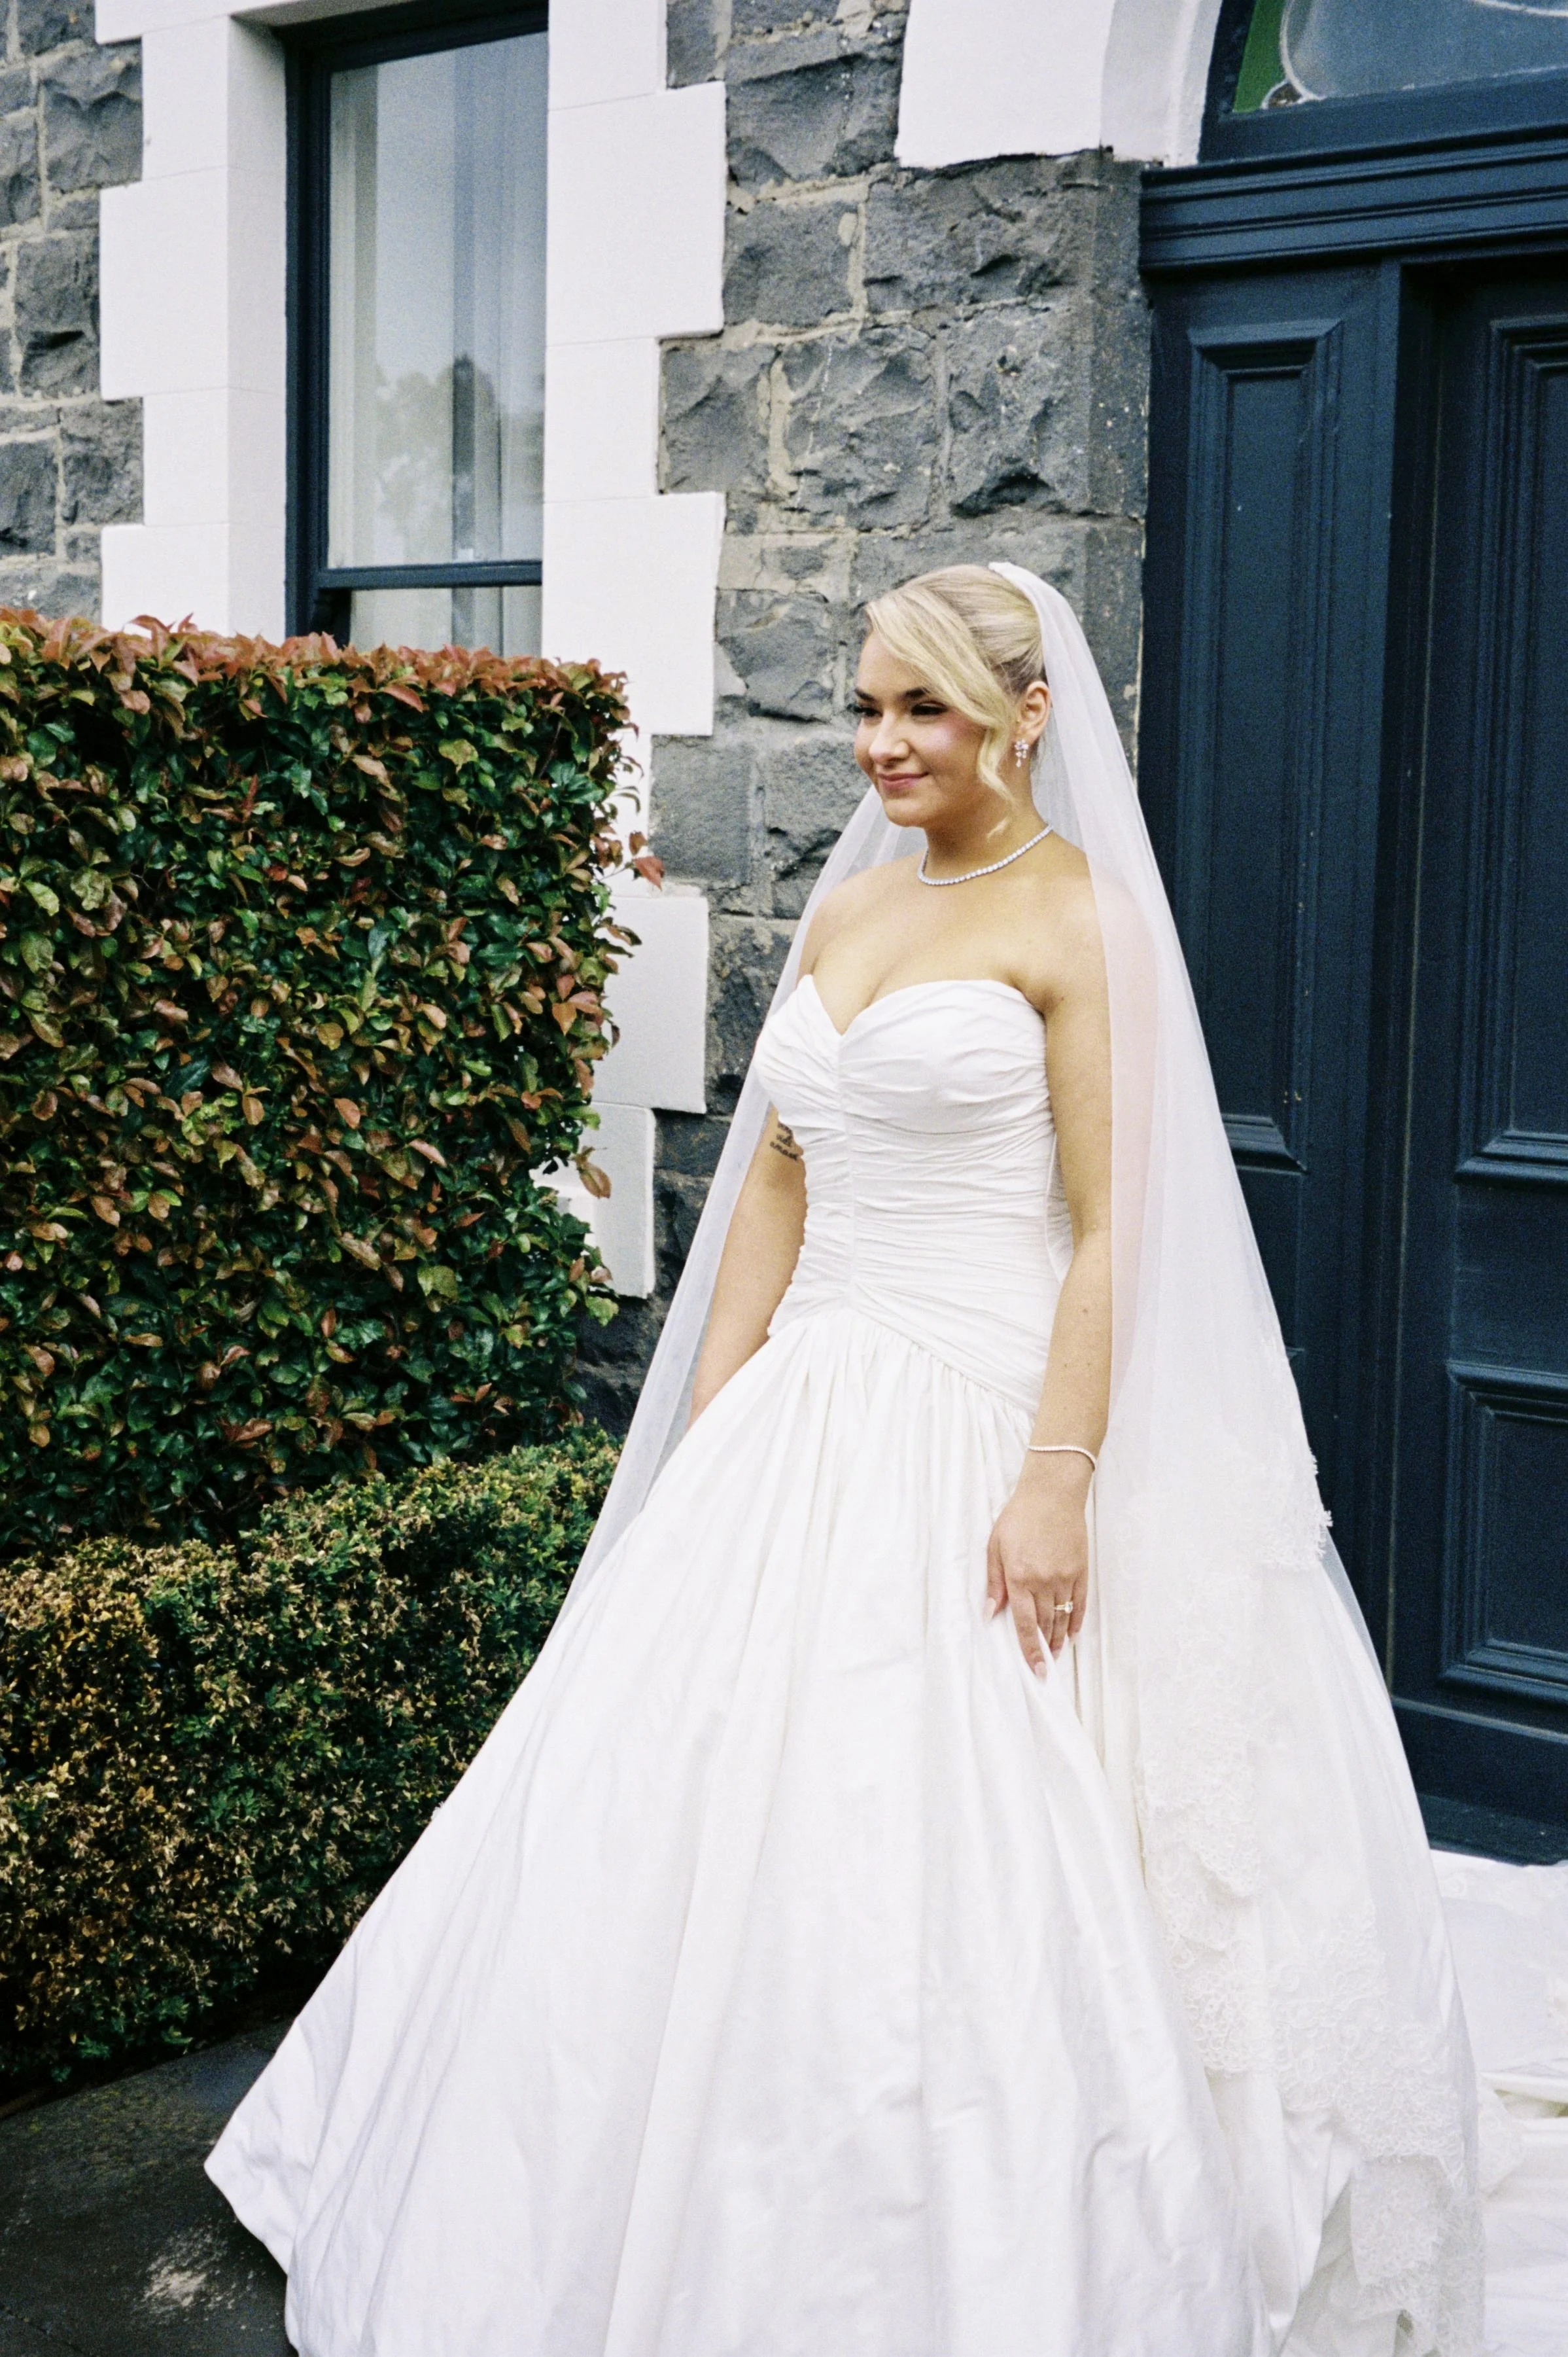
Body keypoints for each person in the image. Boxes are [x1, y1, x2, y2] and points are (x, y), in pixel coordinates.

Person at [208, 566, 1482, 2357]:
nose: (880, 743)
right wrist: (711, 1414)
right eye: (867, 705)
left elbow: (1115, 1231)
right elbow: (783, 1184)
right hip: (805, 1407)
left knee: (958, 1842)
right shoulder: (850, 916)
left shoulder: (1078, 920)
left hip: (984, 1406)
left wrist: (1053, 1474)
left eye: (923, 711)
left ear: (1022, 717)